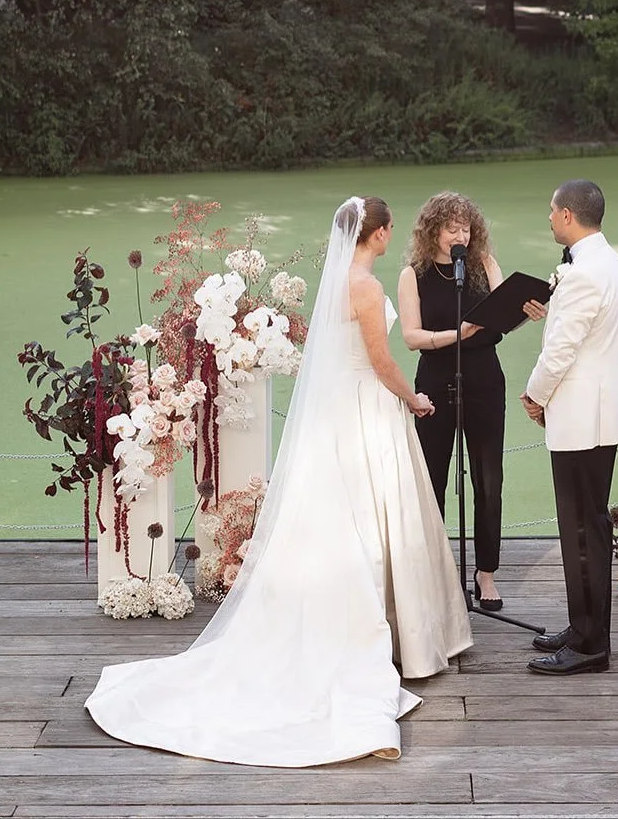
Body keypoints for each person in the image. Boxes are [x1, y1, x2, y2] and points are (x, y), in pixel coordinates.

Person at [85, 196, 472, 766]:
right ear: (380, 233)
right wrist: (413, 399)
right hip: (367, 408)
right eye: (388, 230)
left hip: (335, 413)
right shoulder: (364, 287)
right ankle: (399, 637)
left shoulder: (335, 280)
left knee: (342, 514)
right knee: (375, 514)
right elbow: (381, 361)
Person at [398, 192, 546, 611]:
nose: (460, 235)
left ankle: (486, 573)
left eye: (465, 227)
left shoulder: (483, 264)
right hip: (435, 377)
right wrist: (456, 335)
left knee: (488, 477)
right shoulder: (415, 274)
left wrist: (525, 312)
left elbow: (502, 314)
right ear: (433, 231)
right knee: (432, 479)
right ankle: (432, 571)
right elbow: (411, 337)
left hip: (483, 377)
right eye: (451, 228)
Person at [519, 179, 618, 676]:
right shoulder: (607, 261)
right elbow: (584, 332)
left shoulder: (584, 273)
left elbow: (563, 350)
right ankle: (582, 624)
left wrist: (533, 394)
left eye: (551, 211)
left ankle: (591, 644)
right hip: (597, 414)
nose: (548, 218)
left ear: (569, 216)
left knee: (583, 530)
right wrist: (552, 314)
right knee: (586, 525)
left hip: (581, 417)